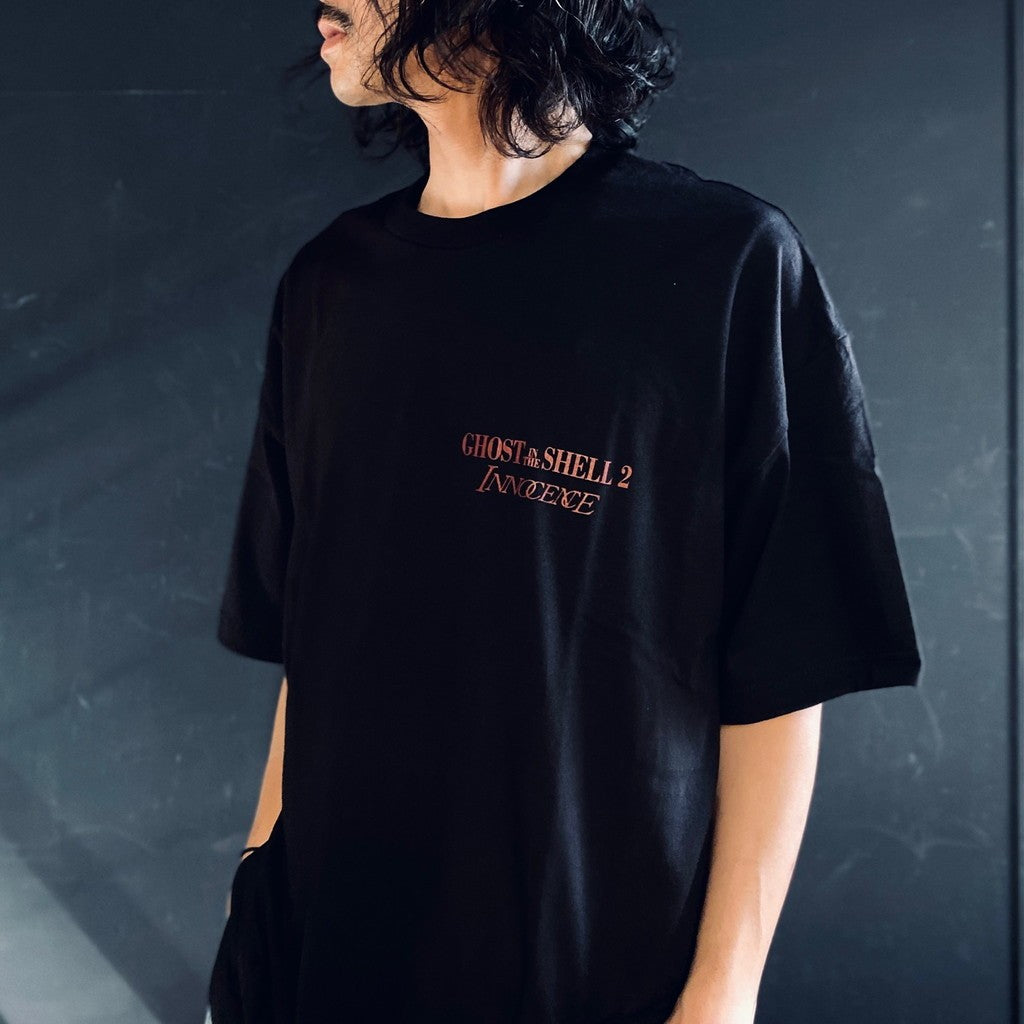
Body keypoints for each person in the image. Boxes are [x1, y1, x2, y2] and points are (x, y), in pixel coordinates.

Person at [204, 0, 924, 1020]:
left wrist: (723, 991)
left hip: (588, 973)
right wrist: (251, 910)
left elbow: (781, 666)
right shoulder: (331, 285)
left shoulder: (723, 265)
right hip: (317, 964)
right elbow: (313, 657)